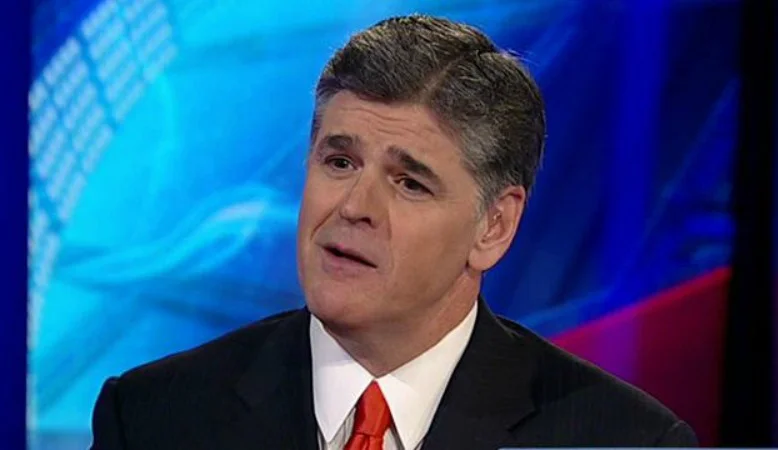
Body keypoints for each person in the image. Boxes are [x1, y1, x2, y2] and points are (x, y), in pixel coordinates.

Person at [90, 14, 697, 450]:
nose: (354, 207)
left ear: (494, 226)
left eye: (410, 183)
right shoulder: (152, 418)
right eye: (339, 162)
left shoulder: (624, 439)